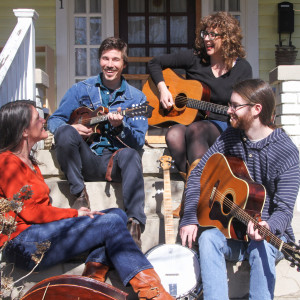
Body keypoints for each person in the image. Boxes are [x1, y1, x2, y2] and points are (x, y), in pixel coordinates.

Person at [0, 100, 173, 300]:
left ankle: (94, 279)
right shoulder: (7, 162)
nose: (43, 120)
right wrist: (74, 213)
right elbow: (31, 212)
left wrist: (73, 217)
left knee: (117, 214)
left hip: (39, 235)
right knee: (109, 223)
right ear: (23, 131)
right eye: (36, 118)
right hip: (22, 245)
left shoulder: (30, 162)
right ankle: (154, 293)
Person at [180, 79, 300, 299]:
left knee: (260, 247)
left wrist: (268, 226)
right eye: (230, 104)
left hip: (266, 235)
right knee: (207, 239)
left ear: (257, 109)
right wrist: (189, 217)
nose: (229, 110)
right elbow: (199, 172)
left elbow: (284, 210)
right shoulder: (231, 136)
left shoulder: (286, 152)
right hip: (231, 231)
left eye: (235, 106)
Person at [47, 37, 148, 247]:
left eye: (115, 59)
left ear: (124, 64)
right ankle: (79, 195)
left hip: (114, 161)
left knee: (131, 154)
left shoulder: (136, 98)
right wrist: (71, 128)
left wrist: (120, 127)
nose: (110, 64)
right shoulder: (81, 89)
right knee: (64, 132)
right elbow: (55, 119)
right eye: (105, 58)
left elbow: (138, 141)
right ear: (99, 60)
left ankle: (134, 225)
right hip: (84, 158)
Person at [148, 11, 252, 185]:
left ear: (227, 38)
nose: (206, 39)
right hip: (192, 119)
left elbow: (246, 104)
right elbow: (154, 63)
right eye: (205, 33)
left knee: (197, 130)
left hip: (223, 123)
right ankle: (197, 186)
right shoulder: (195, 58)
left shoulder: (242, 68)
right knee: (173, 134)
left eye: (213, 34)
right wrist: (163, 90)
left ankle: (196, 192)